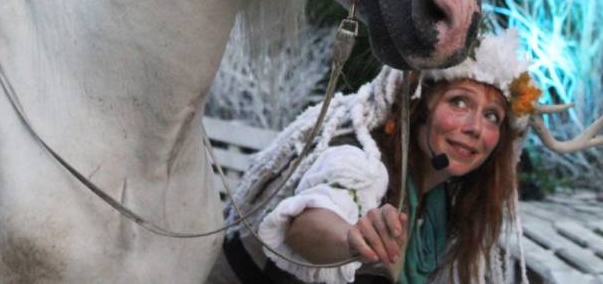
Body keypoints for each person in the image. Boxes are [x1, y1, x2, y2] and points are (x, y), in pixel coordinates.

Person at [209, 29, 542, 284]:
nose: (474, 128)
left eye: (492, 116)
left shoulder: (440, 203)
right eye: (459, 102)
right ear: (418, 107)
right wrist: (352, 239)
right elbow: (309, 222)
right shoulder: (359, 160)